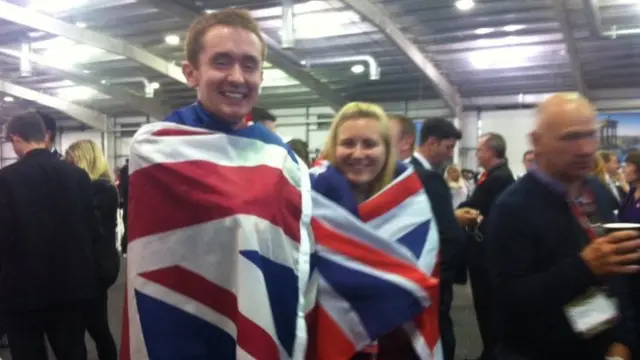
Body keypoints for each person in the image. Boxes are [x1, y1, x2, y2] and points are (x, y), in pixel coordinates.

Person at [487, 93, 638, 360]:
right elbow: (507, 304)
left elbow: (618, 280)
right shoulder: (512, 208)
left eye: (590, 135)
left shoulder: (597, 192)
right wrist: (584, 268)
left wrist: (624, 342)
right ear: (537, 142)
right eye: (570, 137)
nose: (586, 149)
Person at [0, 110, 101, 360]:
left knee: (28, 354)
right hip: (72, 288)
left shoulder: (7, 179)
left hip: (23, 292)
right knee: (73, 353)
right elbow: (93, 230)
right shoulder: (78, 177)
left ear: (15, 138)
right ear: (44, 136)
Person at [409, 117, 469, 360]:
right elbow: (447, 233)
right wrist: (443, 275)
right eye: (448, 147)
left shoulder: (408, 170)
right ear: (431, 143)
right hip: (433, 271)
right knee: (439, 330)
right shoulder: (429, 178)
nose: (450, 154)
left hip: (417, 268)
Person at [65, 140, 120, 360]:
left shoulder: (104, 190)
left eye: (72, 163)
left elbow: (89, 224)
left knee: (97, 328)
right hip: (91, 266)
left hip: (96, 268)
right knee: (84, 328)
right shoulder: (98, 189)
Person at [466, 132, 515, 360]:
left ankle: (493, 351)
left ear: (491, 152)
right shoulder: (493, 175)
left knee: (488, 306)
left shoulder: (499, 177)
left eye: (479, 150)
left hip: (488, 254)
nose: (477, 154)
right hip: (484, 252)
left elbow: (477, 205)